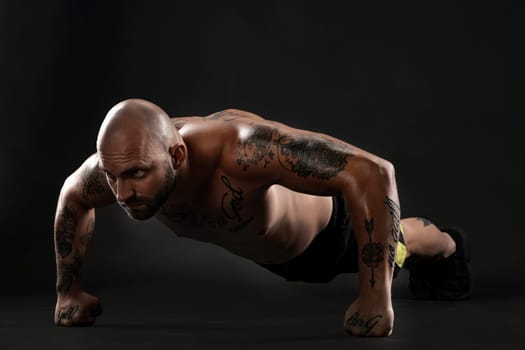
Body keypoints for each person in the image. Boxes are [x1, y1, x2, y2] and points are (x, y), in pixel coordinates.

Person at [53, 99, 470, 336]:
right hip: (267, 250)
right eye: (113, 178)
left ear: (176, 156)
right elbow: (73, 196)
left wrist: (376, 298)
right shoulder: (125, 161)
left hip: (329, 236)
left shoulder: (239, 153)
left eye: (137, 175)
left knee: (404, 243)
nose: (123, 194)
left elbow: (374, 172)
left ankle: (450, 246)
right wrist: (68, 293)